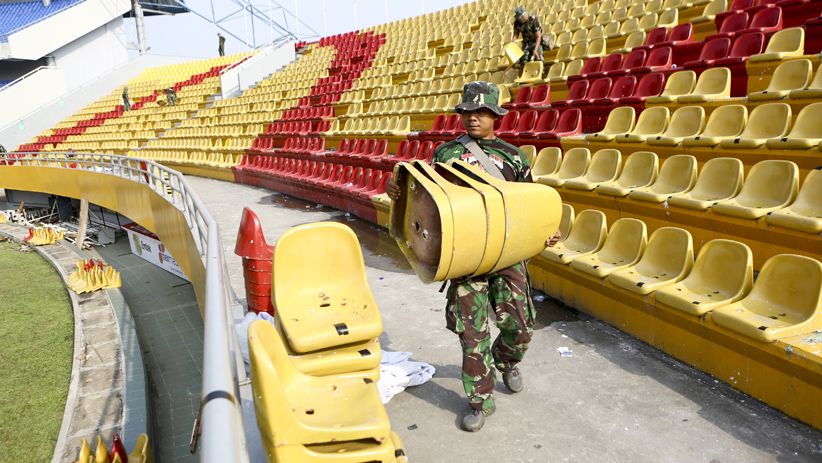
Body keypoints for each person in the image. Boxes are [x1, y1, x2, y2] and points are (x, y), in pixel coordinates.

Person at [387, 81, 561, 432]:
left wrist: (546, 231)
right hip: (466, 256)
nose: (473, 119)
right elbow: (429, 203)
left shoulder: (514, 157)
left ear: (496, 116)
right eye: (468, 112)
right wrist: (397, 193)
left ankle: (507, 361)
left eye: (481, 113)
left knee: (521, 326)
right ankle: (479, 399)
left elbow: (530, 205)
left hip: (507, 252)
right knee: (472, 332)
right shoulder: (445, 155)